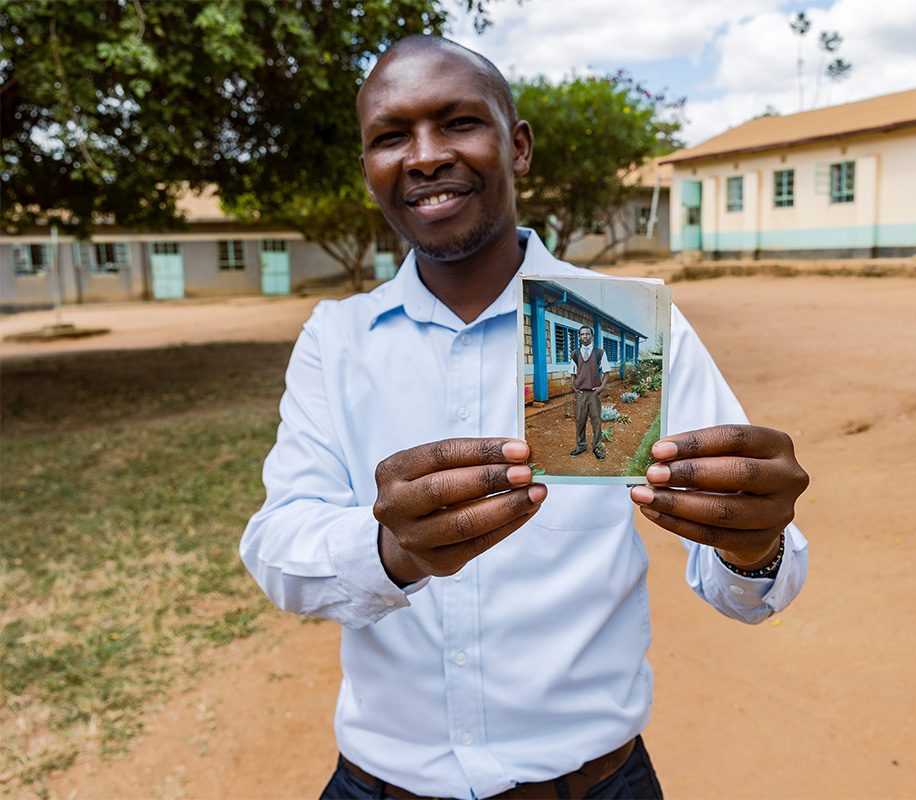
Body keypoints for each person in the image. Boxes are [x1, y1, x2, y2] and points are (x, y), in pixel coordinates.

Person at [240, 34, 810, 800]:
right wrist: (391, 548)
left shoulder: (621, 329)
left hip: (594, 783)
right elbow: (277, 547)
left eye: (458, 123)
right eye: (390, 136)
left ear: (519, 146)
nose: (425, 155)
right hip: (383, 784)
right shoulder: (337, 340)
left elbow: (748, 587)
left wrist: (755, 546)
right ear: (369, 168)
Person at [569, 325, 609, 459]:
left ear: (591, 336)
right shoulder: (575, 354)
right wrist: (574, 386)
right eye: (582, 334)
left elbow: (607, 371)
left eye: (587, 334)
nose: (585, 336)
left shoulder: (600, 353)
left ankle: (597, 448)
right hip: (580, 394)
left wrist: (601, 387)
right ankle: (581, 446)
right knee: (580, 420)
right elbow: (573, 372)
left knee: (596, 421)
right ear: (579, 337)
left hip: (594, 393)